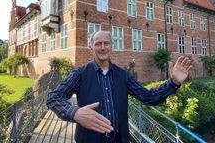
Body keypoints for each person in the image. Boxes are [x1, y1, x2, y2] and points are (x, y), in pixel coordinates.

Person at [46, 31, 192, 143]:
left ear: (111, 47)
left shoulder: (123, 75)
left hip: (120, 139)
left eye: (106, 43)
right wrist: (74, 113)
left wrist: (173, 82)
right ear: (91, 47)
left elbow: (149, 97)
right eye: (98, 44)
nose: (102, 47)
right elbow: (53, 98)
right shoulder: (80, 74)